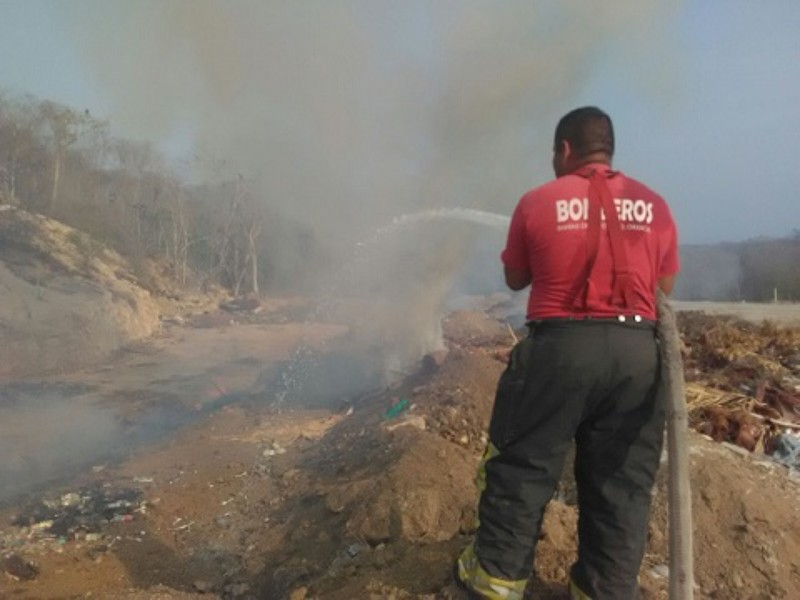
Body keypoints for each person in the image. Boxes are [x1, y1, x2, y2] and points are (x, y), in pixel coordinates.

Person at [456, 106, 679, 599]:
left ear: (563, 150)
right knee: (621, 482)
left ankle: (495, 581)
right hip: (638, 358)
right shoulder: (655, 206)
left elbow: (515, 278)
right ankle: (605, 591)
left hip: (560, 350)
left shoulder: (537, 202)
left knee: (523, 465)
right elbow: (663, 284)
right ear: (609, 149)